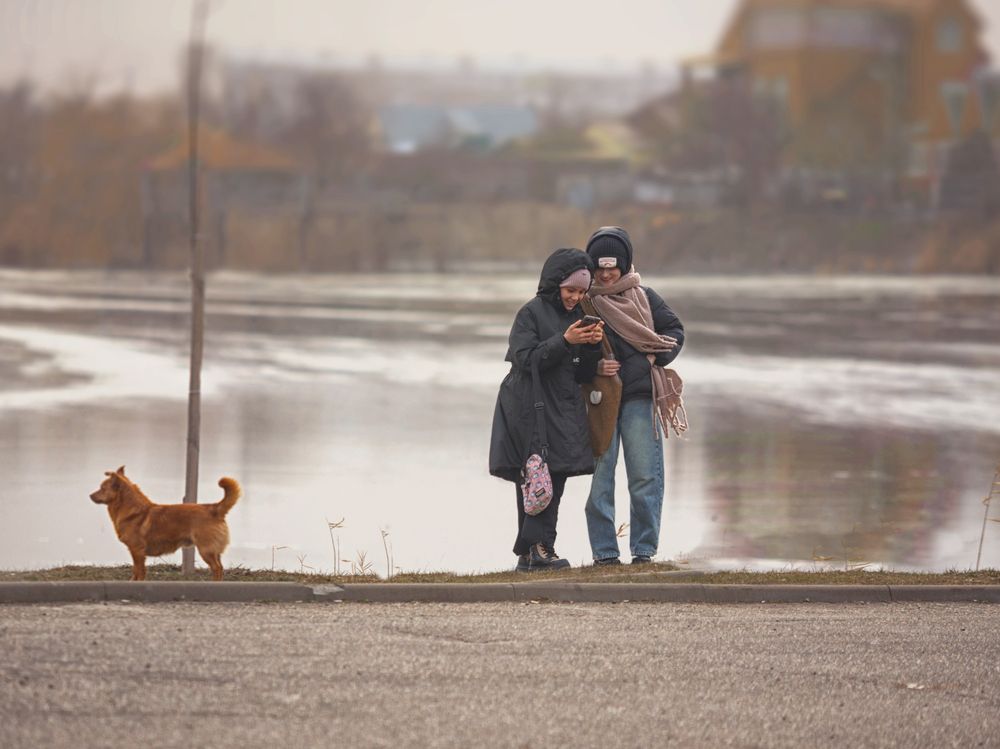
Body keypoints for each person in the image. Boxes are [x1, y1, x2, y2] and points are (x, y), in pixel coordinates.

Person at [489, 248, 604, 571]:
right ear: (555, 284)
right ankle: (539, 550)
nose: (575, 297)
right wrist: (565, 341)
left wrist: (592, 346)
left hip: (563, 407)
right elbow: (524, 359)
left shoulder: (576, 316)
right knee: (537, 478)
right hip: (529, 406)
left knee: (556, 476)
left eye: (582, 292)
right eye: (571, 291)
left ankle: (534, 552)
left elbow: (580, 373)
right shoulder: (530, 313)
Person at [582, 226, 685, 565]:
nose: (607, 272)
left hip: (641, 398)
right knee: (600, 480)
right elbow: (571, 350)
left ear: (625, 264)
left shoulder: (646, 297)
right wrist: (595, 366)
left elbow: (674, 331)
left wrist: (655, 357)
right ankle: (604, 553)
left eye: (613, 265)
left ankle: (643, 551)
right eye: (600, 266)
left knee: (645, 476)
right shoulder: (583, 302)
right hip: (598, 403)